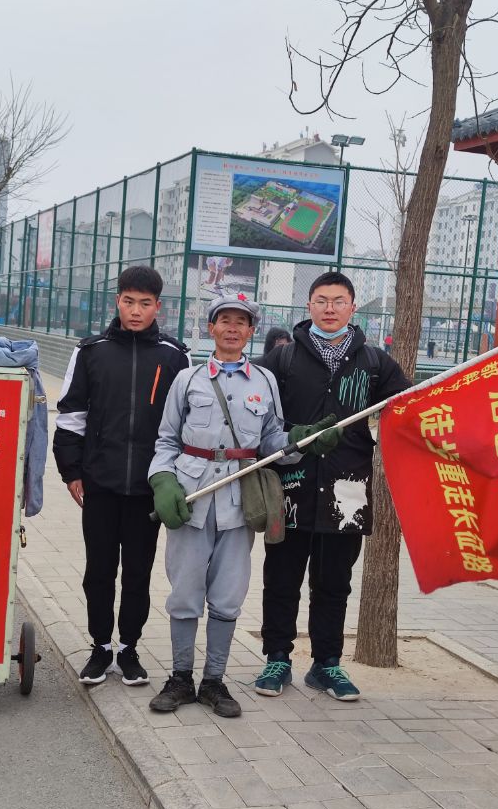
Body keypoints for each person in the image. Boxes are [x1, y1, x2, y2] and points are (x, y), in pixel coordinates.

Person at [147, 294, 341, 718]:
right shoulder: (188, 379)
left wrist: (301, 439)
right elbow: (166, 440)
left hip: (239, 502)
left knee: (227, 596)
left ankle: (213, 682)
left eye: (241, 322)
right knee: (185, 594)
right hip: (191, 499)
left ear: (252, 331)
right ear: (211, 328)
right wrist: (162, 480)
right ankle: (180, 678)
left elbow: (271, 441)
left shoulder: (264, 382)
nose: (232, 328)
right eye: (225, 321)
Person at [254, 272, 410, 701]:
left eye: (338, 301)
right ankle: (277, 658)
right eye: (321, 300)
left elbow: (407, 406)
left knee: (334, 583)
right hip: (291, 487)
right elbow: (258, 416)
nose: (329, 308)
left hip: (348, 491)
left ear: (352, 307)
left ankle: (327, 664)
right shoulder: (283, 359)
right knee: (282, 578)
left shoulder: (374, 362)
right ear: (309, 306)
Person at [53, 265, 190, 686]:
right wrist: (71, 471)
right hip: (100, 483)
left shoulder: (175, 356)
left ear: (158, 307)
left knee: (138, 573)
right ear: (117, 301)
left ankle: (129, 648)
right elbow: (71, 416)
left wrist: (173, 477)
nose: (135, 311)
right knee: (98, 571)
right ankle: (100, 647)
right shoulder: (90, 351)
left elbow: (184, 424)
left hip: (149, 487)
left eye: (144, 303)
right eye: (128, 302)